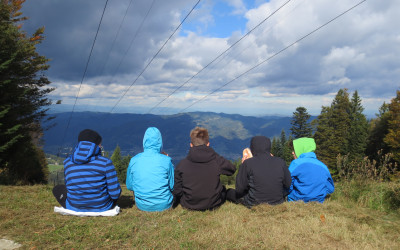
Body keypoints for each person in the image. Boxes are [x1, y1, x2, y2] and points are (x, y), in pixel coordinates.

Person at [52, 129, 121, 212]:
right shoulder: (106, 163)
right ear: (96, 146)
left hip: (74, 206)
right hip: (102, 207)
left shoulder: (67, 162)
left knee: (57, 189)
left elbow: (68, 186)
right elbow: (115, 194)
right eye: (100, 145)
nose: (101, 147)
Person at [173, 127, 236, 211]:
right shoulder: (216, 160)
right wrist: (213, 154)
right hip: (214, 204)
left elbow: (178, 190)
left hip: (189, 204)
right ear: (208, 144)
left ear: (191, 145)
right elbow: (232, 169)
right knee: (223, 189)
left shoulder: (182, 165)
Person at [227, 136, 291, 207]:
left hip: (254, 203)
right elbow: (288, 184)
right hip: (278, 201)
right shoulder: (280, 162)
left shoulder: (248, 163)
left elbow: (240, 189)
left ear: (253, 147)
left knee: (229, 192)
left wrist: (242, 166)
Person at [126, 127, 174, 212]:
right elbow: (172, 186)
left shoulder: (134, 160)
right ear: (160, 142)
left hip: (141, 205)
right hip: (164, 205)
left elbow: (130, 186)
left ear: (145, 141)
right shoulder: (166, 160)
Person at [287, 137, 334, 203]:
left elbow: (288, 184)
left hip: (297, 200)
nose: (292, 153)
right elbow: (330, 189)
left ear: (301, 149)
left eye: (294, 150)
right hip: (319, 201)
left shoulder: (295, 164)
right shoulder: (323, 165)